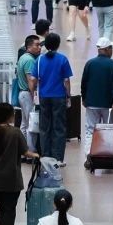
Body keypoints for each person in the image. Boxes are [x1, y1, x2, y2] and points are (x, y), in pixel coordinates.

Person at [34, 32, 73, 165]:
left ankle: (45, 156)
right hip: (59, 97)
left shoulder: (39, 60)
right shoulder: (63, 59)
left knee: (45, 127)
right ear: (58, 44)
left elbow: (34, 79)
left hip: (44, 97)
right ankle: (58, 158)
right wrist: (68, 95)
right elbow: (66, 80)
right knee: (59, 127)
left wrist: (33, 92)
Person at [79, 37, 113, 158]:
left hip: (91, 103)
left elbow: (83, 83)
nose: (112, 51)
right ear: (107, 49)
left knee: (90, 130)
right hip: (108, 105)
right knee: (108, 130)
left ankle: (89, 155)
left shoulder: (90, 63)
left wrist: (84, 98)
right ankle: (107, 155)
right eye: (111, 48)